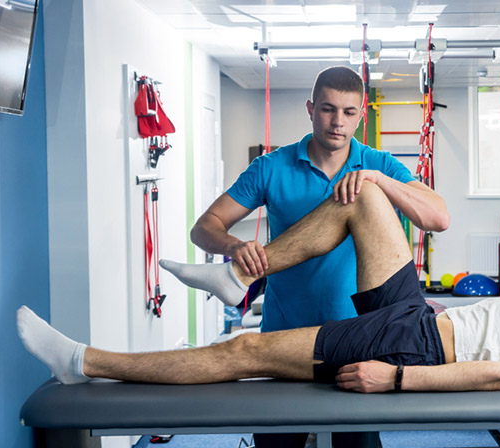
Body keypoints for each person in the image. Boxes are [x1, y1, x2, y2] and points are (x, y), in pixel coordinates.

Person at [19, 181, 500, 398]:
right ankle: (236, 275)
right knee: (364, 198)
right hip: (423, 317)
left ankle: (85, 361)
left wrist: (399, 379)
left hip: (410, 343)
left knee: (244, 355)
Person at [177, 65, 448, 447]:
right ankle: (234, 277)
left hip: (357, 338)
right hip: (284, 333)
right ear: (310, 108)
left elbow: (438, 217)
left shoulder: (380, 164)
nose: (338, 122)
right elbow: (204, 227)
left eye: (349, 112)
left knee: (357, 445)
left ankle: (234, 282)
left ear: (362, 113)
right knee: (278, 443)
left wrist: (376, 180)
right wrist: (234, 247)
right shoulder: (271, 167)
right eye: (327, 109)